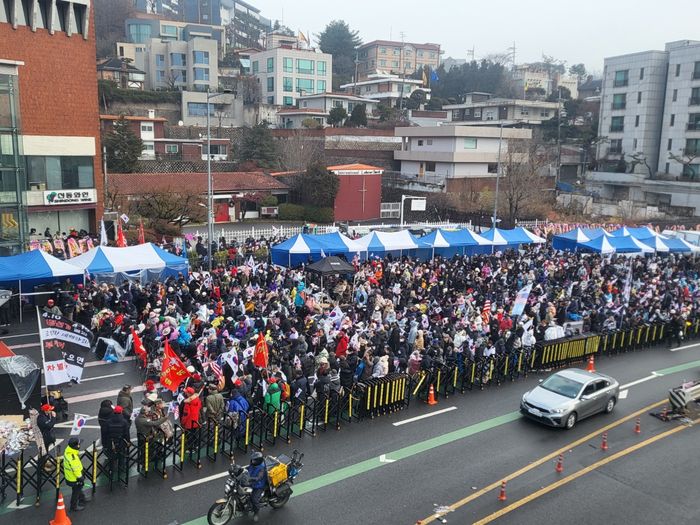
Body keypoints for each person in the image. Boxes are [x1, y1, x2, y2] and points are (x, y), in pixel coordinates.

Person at [63, 437, 87, 512]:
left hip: (70, 477)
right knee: (76, 491)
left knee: (78, 488)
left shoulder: (68, 451)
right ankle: (74, 506)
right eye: (79, 444)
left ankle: (82, 498)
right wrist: (80, 477)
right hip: (74, 478)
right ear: (76, 446)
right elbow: (76, 469)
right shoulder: (73, 457)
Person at [246, 451, 267, 522]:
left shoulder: (262, 468)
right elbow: (248, 468)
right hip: (251, 482)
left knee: (254, 499)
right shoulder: (253, 464)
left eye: (254, 460)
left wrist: (251, 478)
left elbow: (259, 478)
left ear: (258, 461)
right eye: (252, 460)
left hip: (258, 486)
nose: (252, 461)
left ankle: (256, 513)